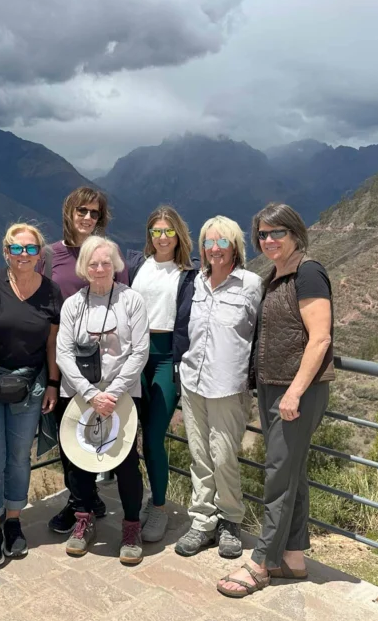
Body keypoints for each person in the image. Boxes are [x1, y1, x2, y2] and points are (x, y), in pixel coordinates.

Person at [217, 203, 334, 598]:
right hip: (273, 387)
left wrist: (295, 392)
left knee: (278, 476)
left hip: (295, 391)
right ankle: (294, 557)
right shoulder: (276, 275)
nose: (268, 240)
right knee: (292, 473)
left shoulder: (309, 272)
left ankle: (261, 562)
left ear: (295, 233)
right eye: (262, 235)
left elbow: (320, 338)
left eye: (276, 233)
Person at [55, 236, 150, 564]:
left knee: (125, 462)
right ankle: (83, 519)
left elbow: (140, 350)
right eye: (93, 263)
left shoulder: (131, 301)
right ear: (84, 267)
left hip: (121, 395)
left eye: (105, 263)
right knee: (79, 459)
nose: (99, 269)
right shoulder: (73, 305)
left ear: (116, 265)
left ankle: (131, 525)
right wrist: (92, 394)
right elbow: (63, 353)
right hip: (81, 395)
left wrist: (114, 392)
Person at [0, 223, 62, 567]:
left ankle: (13, 520)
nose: (24, 255)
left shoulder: (52, 292)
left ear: (40, 253)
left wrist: (53, 383)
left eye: (30, 249)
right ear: (6, 251)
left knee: (19, 458)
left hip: (31, 386)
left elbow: (52, 342)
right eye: (17, 248)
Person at [174, 216, 264, 560]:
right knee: (199, 454)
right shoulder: (193, 283)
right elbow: (183, 327)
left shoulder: (252, 285)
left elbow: (261, 335)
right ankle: (202, 520)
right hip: (193, 381)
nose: (215, 249)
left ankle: (230, 520)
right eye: (209, 243)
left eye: (222, 242)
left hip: (229, 386)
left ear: (235, 246)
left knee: (224, 456)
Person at [41, 186, 128, 533]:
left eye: (94, 213)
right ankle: (83, 502)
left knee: (101, 431)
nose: (88, 217)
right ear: (69, 212)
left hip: (105, 364)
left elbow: (123, 302)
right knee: (70, 434)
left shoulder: (108, 253)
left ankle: (87, 502)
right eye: (82, 211)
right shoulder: (51, 255)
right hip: (64, 359)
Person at [125, 206, 197, 542]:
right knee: (125, 434)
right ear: (149, 235)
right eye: (156, 231)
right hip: (132, 356)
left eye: (169, 231)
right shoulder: (137, 265)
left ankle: (158, 507)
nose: (163, 237)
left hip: (167, 358)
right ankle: (131, 500)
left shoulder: (189, 274)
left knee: (153, 436)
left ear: (179, 234)